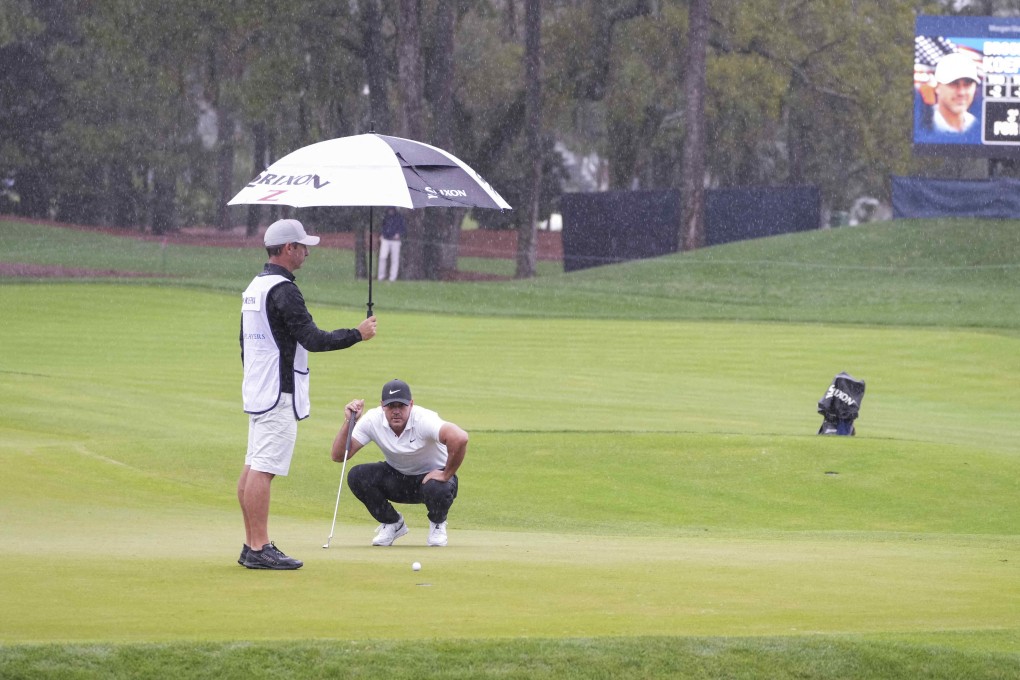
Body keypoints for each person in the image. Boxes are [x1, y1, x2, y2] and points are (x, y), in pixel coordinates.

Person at [238, 218, 377, 570]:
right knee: (263, 470)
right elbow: (312, 339)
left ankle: (251, 544)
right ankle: (258, 546)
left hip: (259, 388)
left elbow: (244, 343)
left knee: (253, 467)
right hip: (277, 391)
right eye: (302, 246)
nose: (306, 252)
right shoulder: (284, 290)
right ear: (287, 249)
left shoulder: (256, 285)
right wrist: (357, 334)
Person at [331, 379, 468, 547]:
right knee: (357, 476)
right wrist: (349, 422)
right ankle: (392, 523)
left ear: (411, 404)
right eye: (391, 406)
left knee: (437, 487)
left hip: (432, 481)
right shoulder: (373, 419)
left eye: (401, 406)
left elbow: (460, 437)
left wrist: (446, 473)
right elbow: (339, 455)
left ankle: (438, 524)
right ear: (382, 405)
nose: (396, 411)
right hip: (397, 480)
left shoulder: (423, 419)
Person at [930, 51, 980, 134]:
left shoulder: (974, 123)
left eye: (967, 84)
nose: (961, 92)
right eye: (953, 84)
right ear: (937, 86)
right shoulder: (924, 123)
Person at [377, 207, 406, 282]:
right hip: (385, 239)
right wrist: (382, 234)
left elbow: (402, 228)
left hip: (395, 241)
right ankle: (381, 276)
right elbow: (382, 226)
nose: (390, 211)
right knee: (382, 257)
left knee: (395, 259)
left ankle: (392, 278)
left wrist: (398, 234)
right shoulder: (385, 216)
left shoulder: (399, 217)